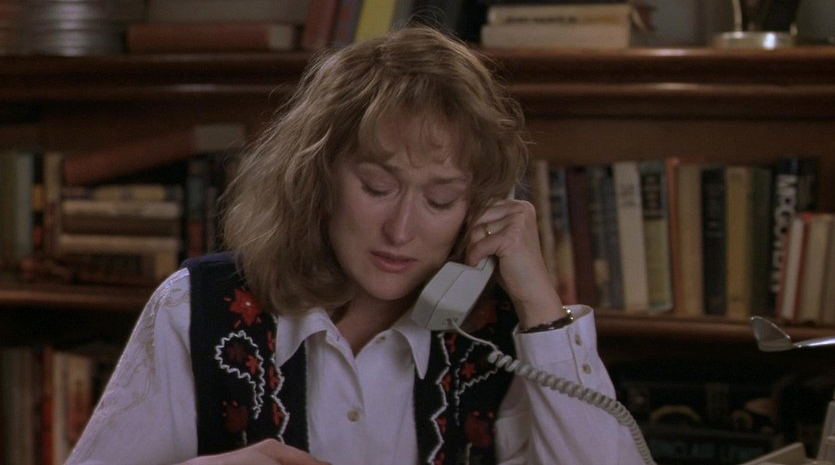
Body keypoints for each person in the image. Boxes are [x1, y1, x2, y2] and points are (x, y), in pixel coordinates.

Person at [66, 26, 648, 465]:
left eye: (440, 200)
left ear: (478, 207)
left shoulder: (501, 334)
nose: (401, 230)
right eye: (376, 187)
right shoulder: (195, 306)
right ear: (317, 175)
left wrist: (541, 308)